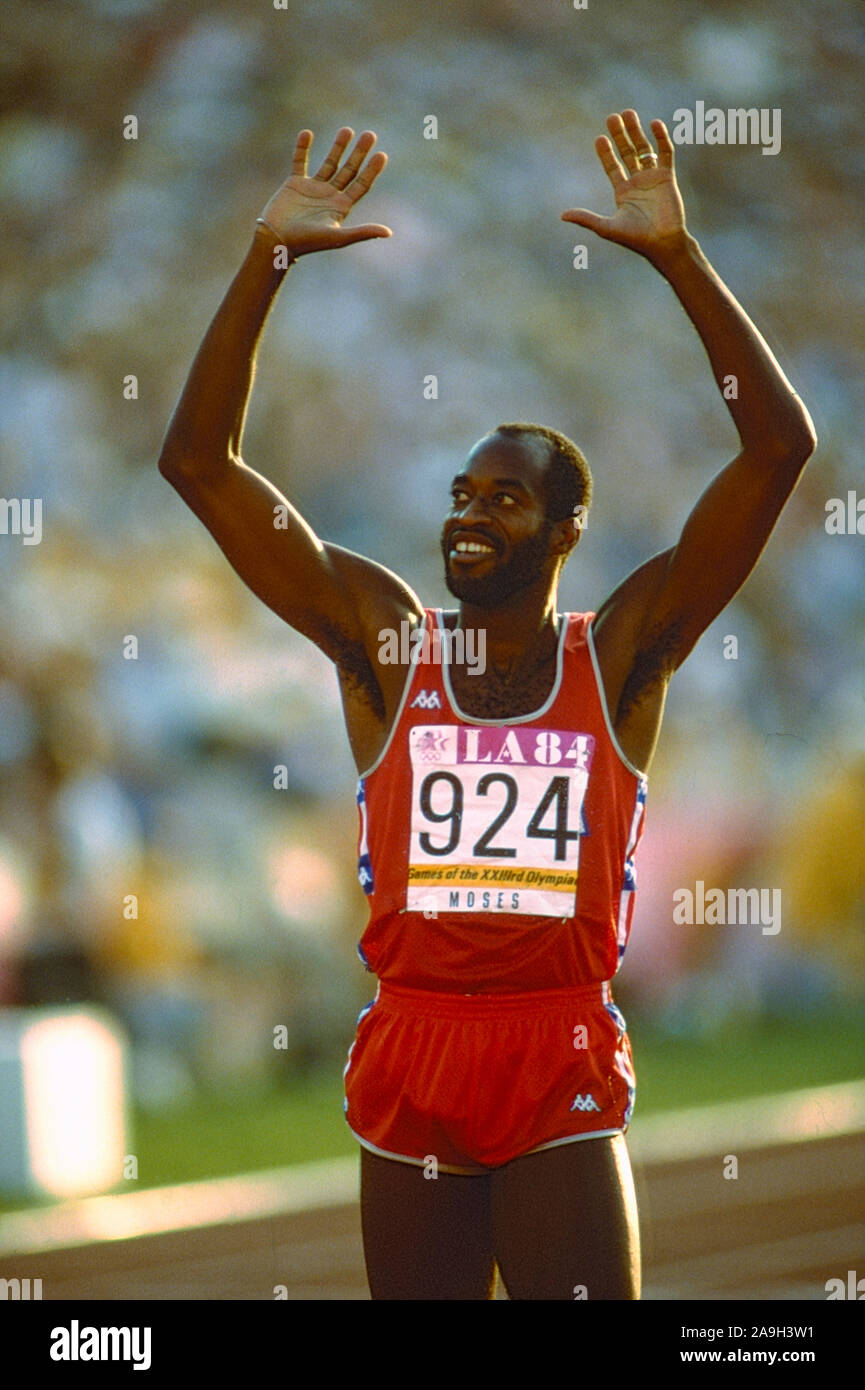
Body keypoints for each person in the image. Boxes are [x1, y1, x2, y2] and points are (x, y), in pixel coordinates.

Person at [158, 110, 816, 1299]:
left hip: (553, 1037)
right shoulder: (385, 640)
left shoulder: (620, 654)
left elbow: (776, 449)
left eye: (505, 500)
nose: (469, 512)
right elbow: (197, 463)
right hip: (412, 1039)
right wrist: (270, 255)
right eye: (462, 491)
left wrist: (679, 257)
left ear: (566, 530)